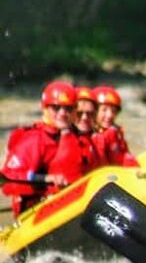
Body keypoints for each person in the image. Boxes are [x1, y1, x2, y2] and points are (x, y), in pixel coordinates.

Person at [2, 81, 89, 215]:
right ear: (45, 108)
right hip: (36, 210)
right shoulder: (34, 139)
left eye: (68, 109)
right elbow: (8, 177)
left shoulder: (78, 138)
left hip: (69, 205)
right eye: (56, 108)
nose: (62, 113)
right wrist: (45, 179)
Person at [92, 85, 138, 167]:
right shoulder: (87, 136)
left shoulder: (115, 133)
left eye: (113, 111)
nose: (109, 115)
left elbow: (124, 156)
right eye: (104, 110)